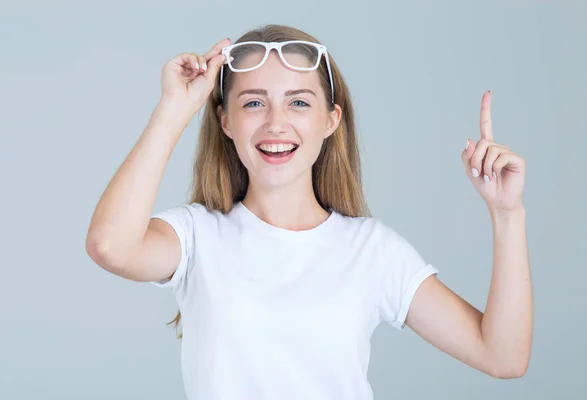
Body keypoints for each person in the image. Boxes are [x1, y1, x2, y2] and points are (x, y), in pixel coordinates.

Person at [85, 24, 533, 400]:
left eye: (299, 102)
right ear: (225, 121)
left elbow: (503, 356)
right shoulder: (196, 237)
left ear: (330, 121)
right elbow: (111, 246)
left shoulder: (371, 250)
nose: (276, 123)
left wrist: (507, 214)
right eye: (253, 103)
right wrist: (173, 109)